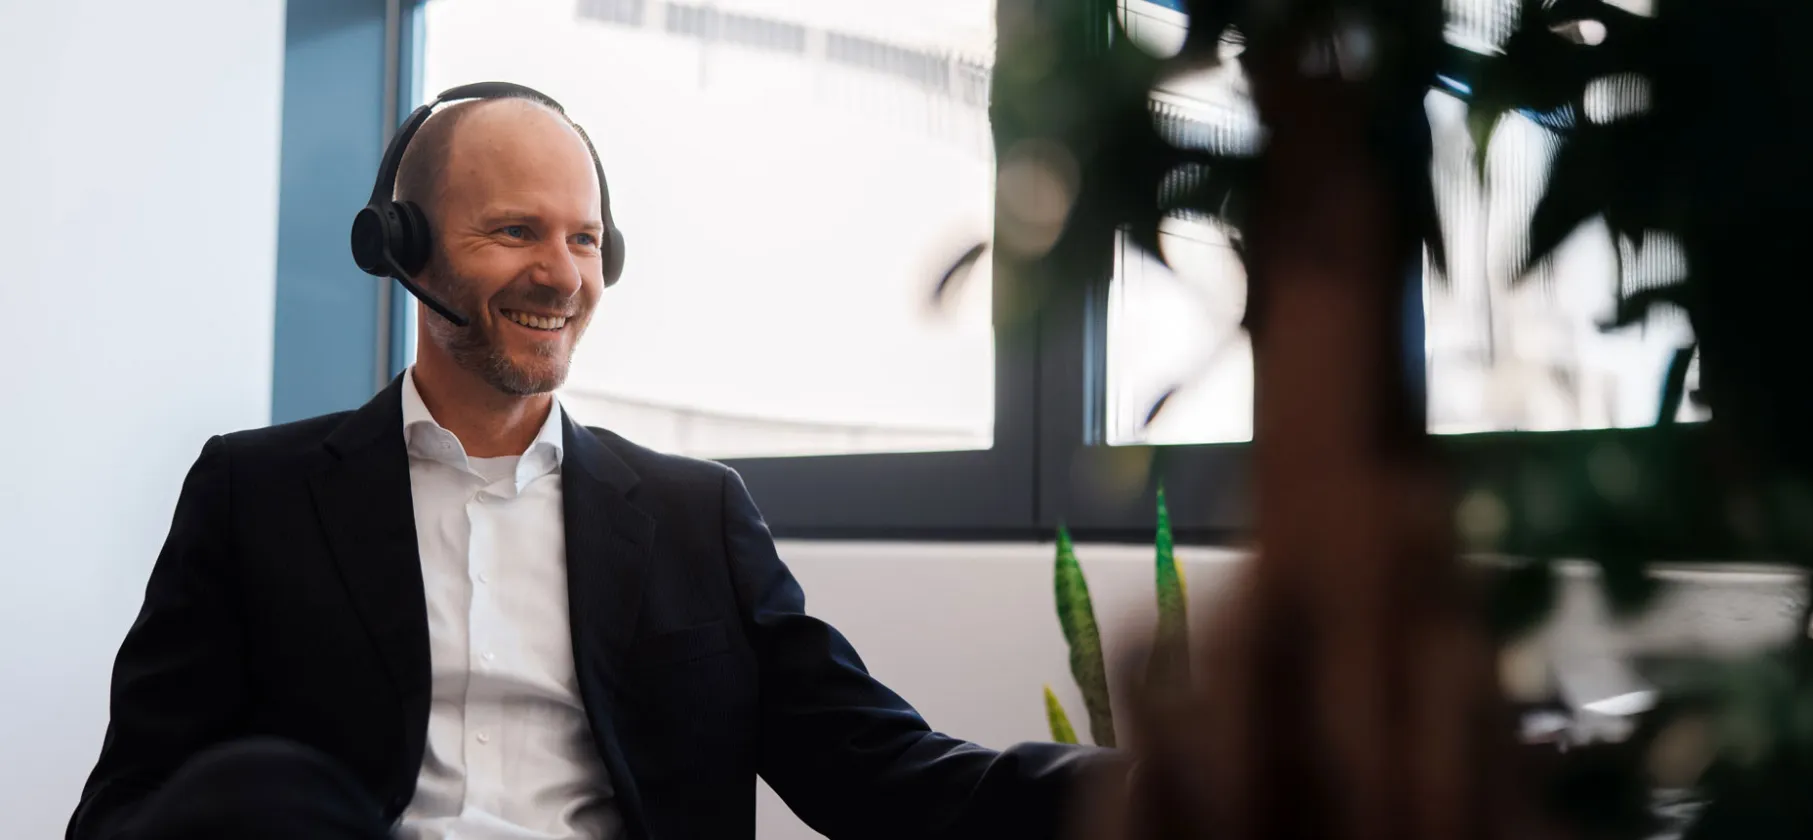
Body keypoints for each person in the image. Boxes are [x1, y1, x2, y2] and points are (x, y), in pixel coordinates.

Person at [68, 89, 1123, 840]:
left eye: (585, 240)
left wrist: (1146, 792)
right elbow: (131, 805)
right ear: (405, 248)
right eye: (516, 231)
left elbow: (882, 770)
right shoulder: (256, 496)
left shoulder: (694, 515)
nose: (561, 274)